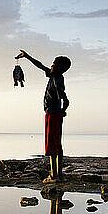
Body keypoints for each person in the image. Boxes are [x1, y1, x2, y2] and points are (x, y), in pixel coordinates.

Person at [14, 51, 71, 183]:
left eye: (53, 64)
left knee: (52, 145)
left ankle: (54, 176)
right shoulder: (54, 76)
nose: (50, 66)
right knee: (56, 144)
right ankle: (58, 175)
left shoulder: (56, 80)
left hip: (53, 114)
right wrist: (27, 56)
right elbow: (39, 65)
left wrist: (62, 110)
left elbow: (65, 98)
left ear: (60, 68)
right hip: (54, 114)